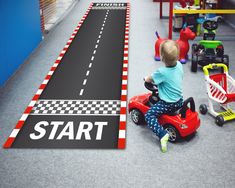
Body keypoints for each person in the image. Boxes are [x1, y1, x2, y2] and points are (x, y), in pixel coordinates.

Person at [145, 40, 184, 153]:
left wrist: (145, 78)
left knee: (149, 115)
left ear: (162, 57)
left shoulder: (162, 72)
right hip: (179, 100)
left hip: (168, 104)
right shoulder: (180, 65)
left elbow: (149, 79)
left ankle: (162, 134)